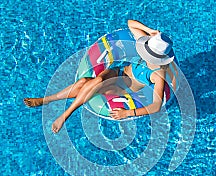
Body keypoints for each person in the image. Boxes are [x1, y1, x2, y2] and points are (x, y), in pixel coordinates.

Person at [24, 20, 176, 133]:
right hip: (118, 71)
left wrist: (128, 113)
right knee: (94, 81)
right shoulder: (146, 45)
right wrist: (151, 31)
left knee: (85, 82)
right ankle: (56, 107)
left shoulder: (158, 74)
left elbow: (156, 105)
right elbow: (131, 23)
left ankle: (54, 106)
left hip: (123, 87)